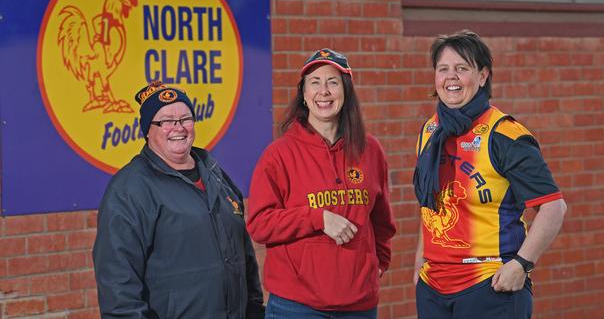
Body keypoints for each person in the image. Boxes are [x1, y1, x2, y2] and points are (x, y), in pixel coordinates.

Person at [412, 30, 567, 319]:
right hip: (434, 287)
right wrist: (420, 263)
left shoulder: (505, 134)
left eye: (462, 68)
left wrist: (522, 264)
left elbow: (553, 206)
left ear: (482, 76)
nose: (451, 77)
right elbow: (430, 203)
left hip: (488, 285)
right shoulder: (430, 130)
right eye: (443, 69)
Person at [93, 81, 265, 318]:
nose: (178, 127)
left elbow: (244, 255)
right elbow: (117, 282)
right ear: (148, 129)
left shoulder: (215, 174)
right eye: (166, 121)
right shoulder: (129, 189)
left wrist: (254, 309)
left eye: (185, 119)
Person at [246, 48, 397, 318]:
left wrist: (379, 264)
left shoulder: (370, 150)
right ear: (304, 95)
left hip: (359, 305)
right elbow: (259, 224)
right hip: (296, 306)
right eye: (314, 83)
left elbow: (382, 222)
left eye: (333, 82)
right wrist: (318, 218)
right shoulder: (279, 155)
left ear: (346, 92)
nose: (323, 91)